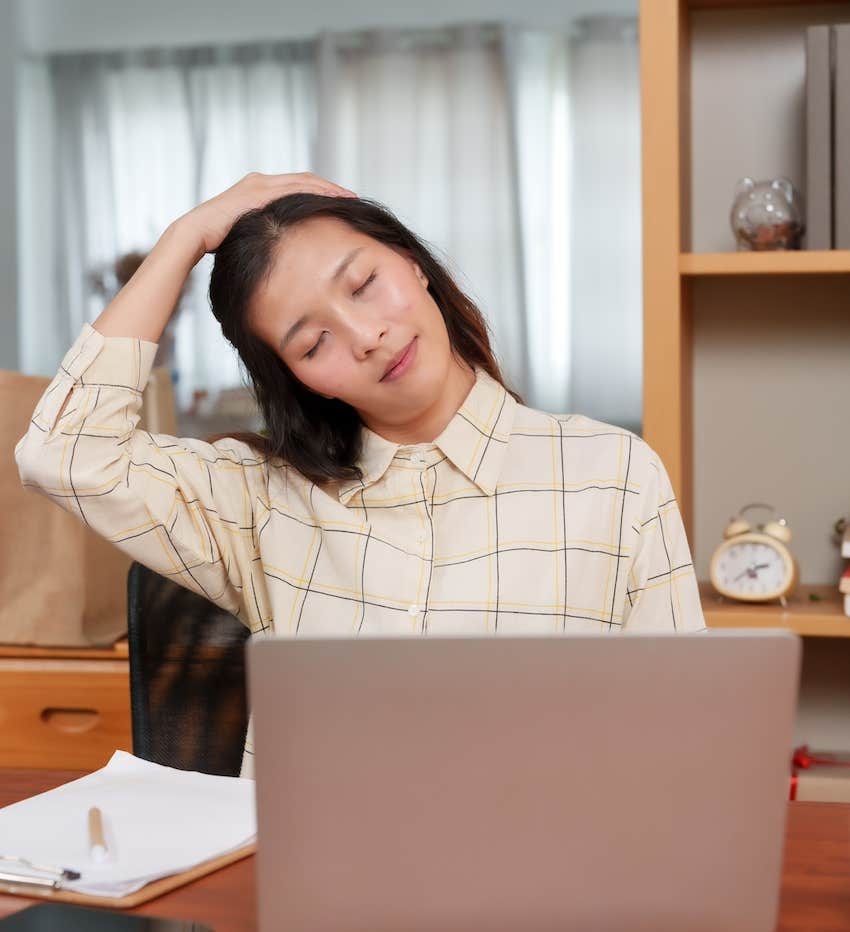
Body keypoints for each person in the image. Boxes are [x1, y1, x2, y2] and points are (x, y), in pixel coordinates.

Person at [16, 172, 705, 775]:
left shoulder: (612, 477)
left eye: (365, 284)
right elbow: (63, 452)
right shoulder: (261, 501)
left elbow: (683, 744)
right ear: (299, 380)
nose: (366, 335)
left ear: (412, 262)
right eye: (314, 342)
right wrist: (188, 236)